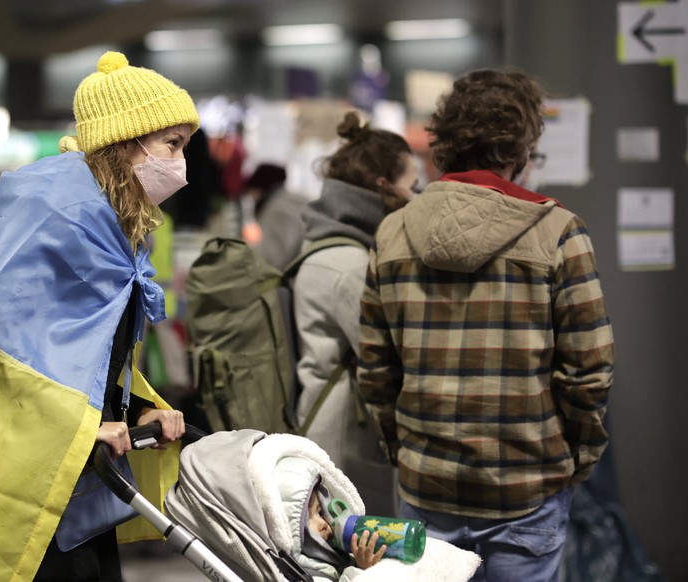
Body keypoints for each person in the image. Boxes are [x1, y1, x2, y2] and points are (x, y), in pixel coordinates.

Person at [0, 51, 194, 581]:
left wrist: (133, 418)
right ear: (126, 141)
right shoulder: (57, 216)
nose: (180, 164)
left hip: (79, 472)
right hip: (28, 470)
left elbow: (88, 356)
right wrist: (90, 426)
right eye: (171, 144)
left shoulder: (117, 228)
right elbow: (9, 363)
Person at [357, 68, 614, 582]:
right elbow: (589, 369)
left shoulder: (391, 234)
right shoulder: (558, 232)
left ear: (444, 144)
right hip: (528, 489)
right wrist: (576, 460)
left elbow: (374, 370)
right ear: (519, 150)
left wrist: (403, 451)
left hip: (427, 488)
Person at [294, 111, 417, 517]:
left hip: (340, 433)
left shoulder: (332, 244)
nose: (416, 197)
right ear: (383, 187)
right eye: (412, 185)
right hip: (348, 442)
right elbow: (387, 353)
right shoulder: (347, 263)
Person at [240, 163, 308, 270]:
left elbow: (270, 258)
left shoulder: (278, 209)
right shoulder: (293, 202)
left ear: (260, 188)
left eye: (252, 194)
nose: (252, 200)